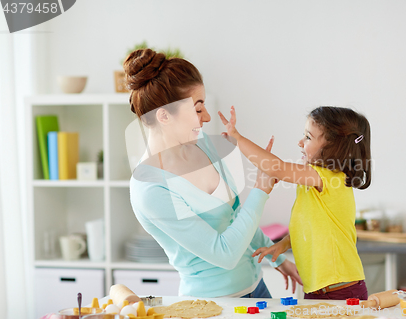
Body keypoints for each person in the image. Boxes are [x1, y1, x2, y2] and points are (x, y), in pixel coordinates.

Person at [125, 48, 302, 298]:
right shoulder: (150, 188)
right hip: (213, 306)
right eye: (198, 109)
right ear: (164, 116)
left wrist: (277, 257)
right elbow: (224, 254)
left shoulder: (205, 144)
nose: (206, 117)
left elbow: (237, 214)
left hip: (258, 290)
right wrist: (261, 189)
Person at [218, 105, 372, 300]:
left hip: (341, 291)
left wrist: (237, 138)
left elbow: (276, 168)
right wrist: (283, 244)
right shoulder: (313, 181)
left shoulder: (329, 178)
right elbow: (312, 225)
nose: (300, 142)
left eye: (308, 137)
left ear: (333, 147)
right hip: (317, 289)